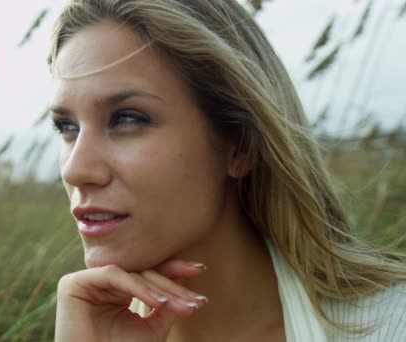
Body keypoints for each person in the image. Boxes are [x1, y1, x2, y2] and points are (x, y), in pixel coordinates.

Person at [46, 0, 406, 341]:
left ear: (240, 144)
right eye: (66, 127)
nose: (76, 169)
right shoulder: (88, 328)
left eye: (127, 119)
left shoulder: (392, 324)